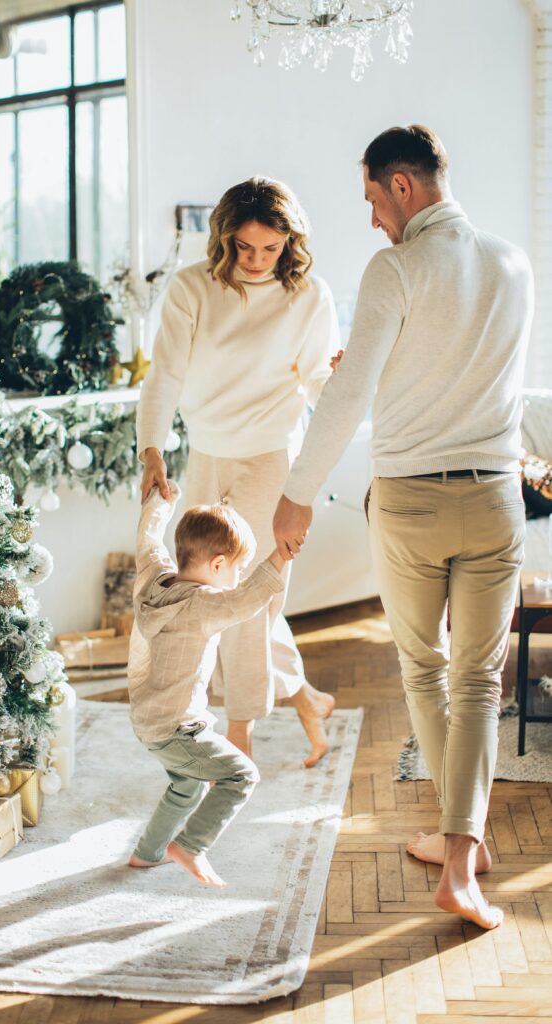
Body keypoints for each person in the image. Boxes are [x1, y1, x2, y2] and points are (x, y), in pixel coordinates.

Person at [273, 125, 534, 930]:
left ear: (402, 187)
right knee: (479, 681)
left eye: (372, 201)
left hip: (412, 503)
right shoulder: (511, 262)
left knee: (424, 670)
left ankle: (459, 854)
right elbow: (483, 374)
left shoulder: (394, 267)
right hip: (495, 496)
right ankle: (464, 852)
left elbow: (349, 398)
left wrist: (296, 495)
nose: (371, 221)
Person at [137, 177, 340, 768]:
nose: (255, 261)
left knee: (246, 599)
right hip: (206, 452)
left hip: (270, 458)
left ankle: (240, 730)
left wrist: (345, 382)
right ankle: (306, 699)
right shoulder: (191, 288)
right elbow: (165, 375)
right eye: (244, 247)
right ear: (224, 239)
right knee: (204, 588)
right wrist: (153, 449)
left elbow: (319, 383)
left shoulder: (309, 296)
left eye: (269, 249)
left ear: (289, 243)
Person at [127, 481, 285, 887]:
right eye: (237, 569)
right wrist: (279, 558)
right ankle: (191, 846)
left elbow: (147, 540)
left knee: (186, 785)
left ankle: (148, 853)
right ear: (217, 566)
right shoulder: (202, 605)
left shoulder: (155, 581)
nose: (239, 578)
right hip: (176, 727)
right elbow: (244, 601)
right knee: (241, 775)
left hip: (148, 721)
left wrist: (162, 502)